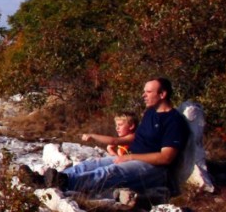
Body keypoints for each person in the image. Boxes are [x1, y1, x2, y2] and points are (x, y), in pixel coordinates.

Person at [48, 78, 189, 194]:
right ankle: (53, 178)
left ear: (162, 94)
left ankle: (64, 184)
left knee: (110, 172)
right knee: (91, 164)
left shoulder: (174, 121)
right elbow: (131, 138)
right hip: (132, 158)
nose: (143, 95)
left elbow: (166, 158)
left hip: (153, 168)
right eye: (144, 91)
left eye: (148, 92)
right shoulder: (150, 113)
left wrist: (130, 157)